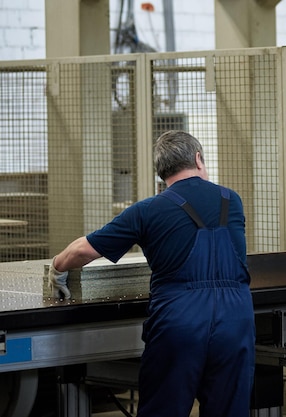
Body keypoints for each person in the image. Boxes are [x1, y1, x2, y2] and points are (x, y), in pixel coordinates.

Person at [48, 130, 256, 417]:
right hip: (236, 319)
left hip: (180, 321)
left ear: (161, 171)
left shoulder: (147, 211)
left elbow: (83, 250)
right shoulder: (231, 200)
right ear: (198, 158)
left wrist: (57, 267)